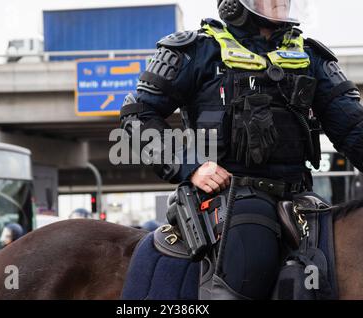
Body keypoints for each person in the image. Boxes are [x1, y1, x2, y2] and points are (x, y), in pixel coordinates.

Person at [120, 0, 363, 300]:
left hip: (300, 197)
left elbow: (354, 128)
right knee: (250, 266)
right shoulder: (196, 51)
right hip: (231, 195)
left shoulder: (310, 56)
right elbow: (137, 115)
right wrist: (191, 167)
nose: (279, 4)